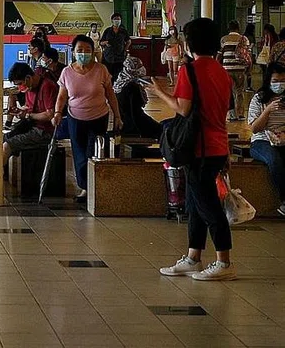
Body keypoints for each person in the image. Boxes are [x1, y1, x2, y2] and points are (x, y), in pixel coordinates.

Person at [150, 18, 237, 280]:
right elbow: (222, 112)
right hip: (217, 145)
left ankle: (224, 262)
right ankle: (193, 256)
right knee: (195, 203)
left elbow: (183, 108)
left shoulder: (190, 71)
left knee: (208, 206)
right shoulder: (222, 72)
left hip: (198, 148)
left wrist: (159, 92)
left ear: (189, 44)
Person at [0, 62, 58, 196]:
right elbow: (29, 110)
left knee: (7, 145)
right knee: (1, 140)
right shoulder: (29, 89)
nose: (20, 87)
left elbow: (49, 114)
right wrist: (20, 112)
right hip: (32, 127)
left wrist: (28, 115)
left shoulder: (48, 87)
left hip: (44, 132)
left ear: (28, 78)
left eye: (20, 83)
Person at [53, 35, 123, 202]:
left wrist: (118, 116)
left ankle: (96, 185)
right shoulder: (67, 72)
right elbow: (62, 97)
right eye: (79, 51)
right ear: (73, 52)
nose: (83, 53)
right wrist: (57, 113)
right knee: (79, 154)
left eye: (87, 51)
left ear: (93, 52)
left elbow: (110, 94)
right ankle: (85, 188)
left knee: (94, 152)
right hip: (75, 119)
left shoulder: (101, 70)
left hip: (99, 117)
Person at [246, 62, 285, 217]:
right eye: (275, 81)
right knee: (274, 159)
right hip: (261, 141)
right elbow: (255, 128)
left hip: (282, 138)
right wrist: (268, 110)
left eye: (283, 81)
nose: (279, 85)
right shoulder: (259, 98)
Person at [114, 56, 162, 138]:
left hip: (126, 123)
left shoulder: (120, 82)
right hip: (132, 128)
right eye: (140, 66)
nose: (142, 68)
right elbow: (136, 115)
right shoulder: (132, 87)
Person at [220, 20, 250, 121]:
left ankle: (231, 114)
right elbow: (247, 55)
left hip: (226, 69)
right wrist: (248, 69)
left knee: (228, 92)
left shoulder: (224, 39)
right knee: (239, 91)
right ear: (238, 28)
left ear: (229, 28)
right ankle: (240, 114)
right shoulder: (243, 39)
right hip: (240, 69)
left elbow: (219, 55)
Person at [99, 13, 131, 82]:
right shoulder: (107, 30)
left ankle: (117, 89)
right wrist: (106, 43)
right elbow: (101, 42)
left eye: (119, 19)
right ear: (112, 20)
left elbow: (128, 41)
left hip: (120, 56)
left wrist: (125, 50)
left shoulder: (123, 31)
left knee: (119, 74)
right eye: (115, 19)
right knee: (107, 75)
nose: (117, 21)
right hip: (108, 56)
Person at [244, 23, 257, 91]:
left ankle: (244, 86)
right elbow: (252, 45)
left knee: (244, 71)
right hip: (249, 55)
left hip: (243, 55)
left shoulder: (243, 36)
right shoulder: (252, 36)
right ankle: (248, 86)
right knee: (249, 71)